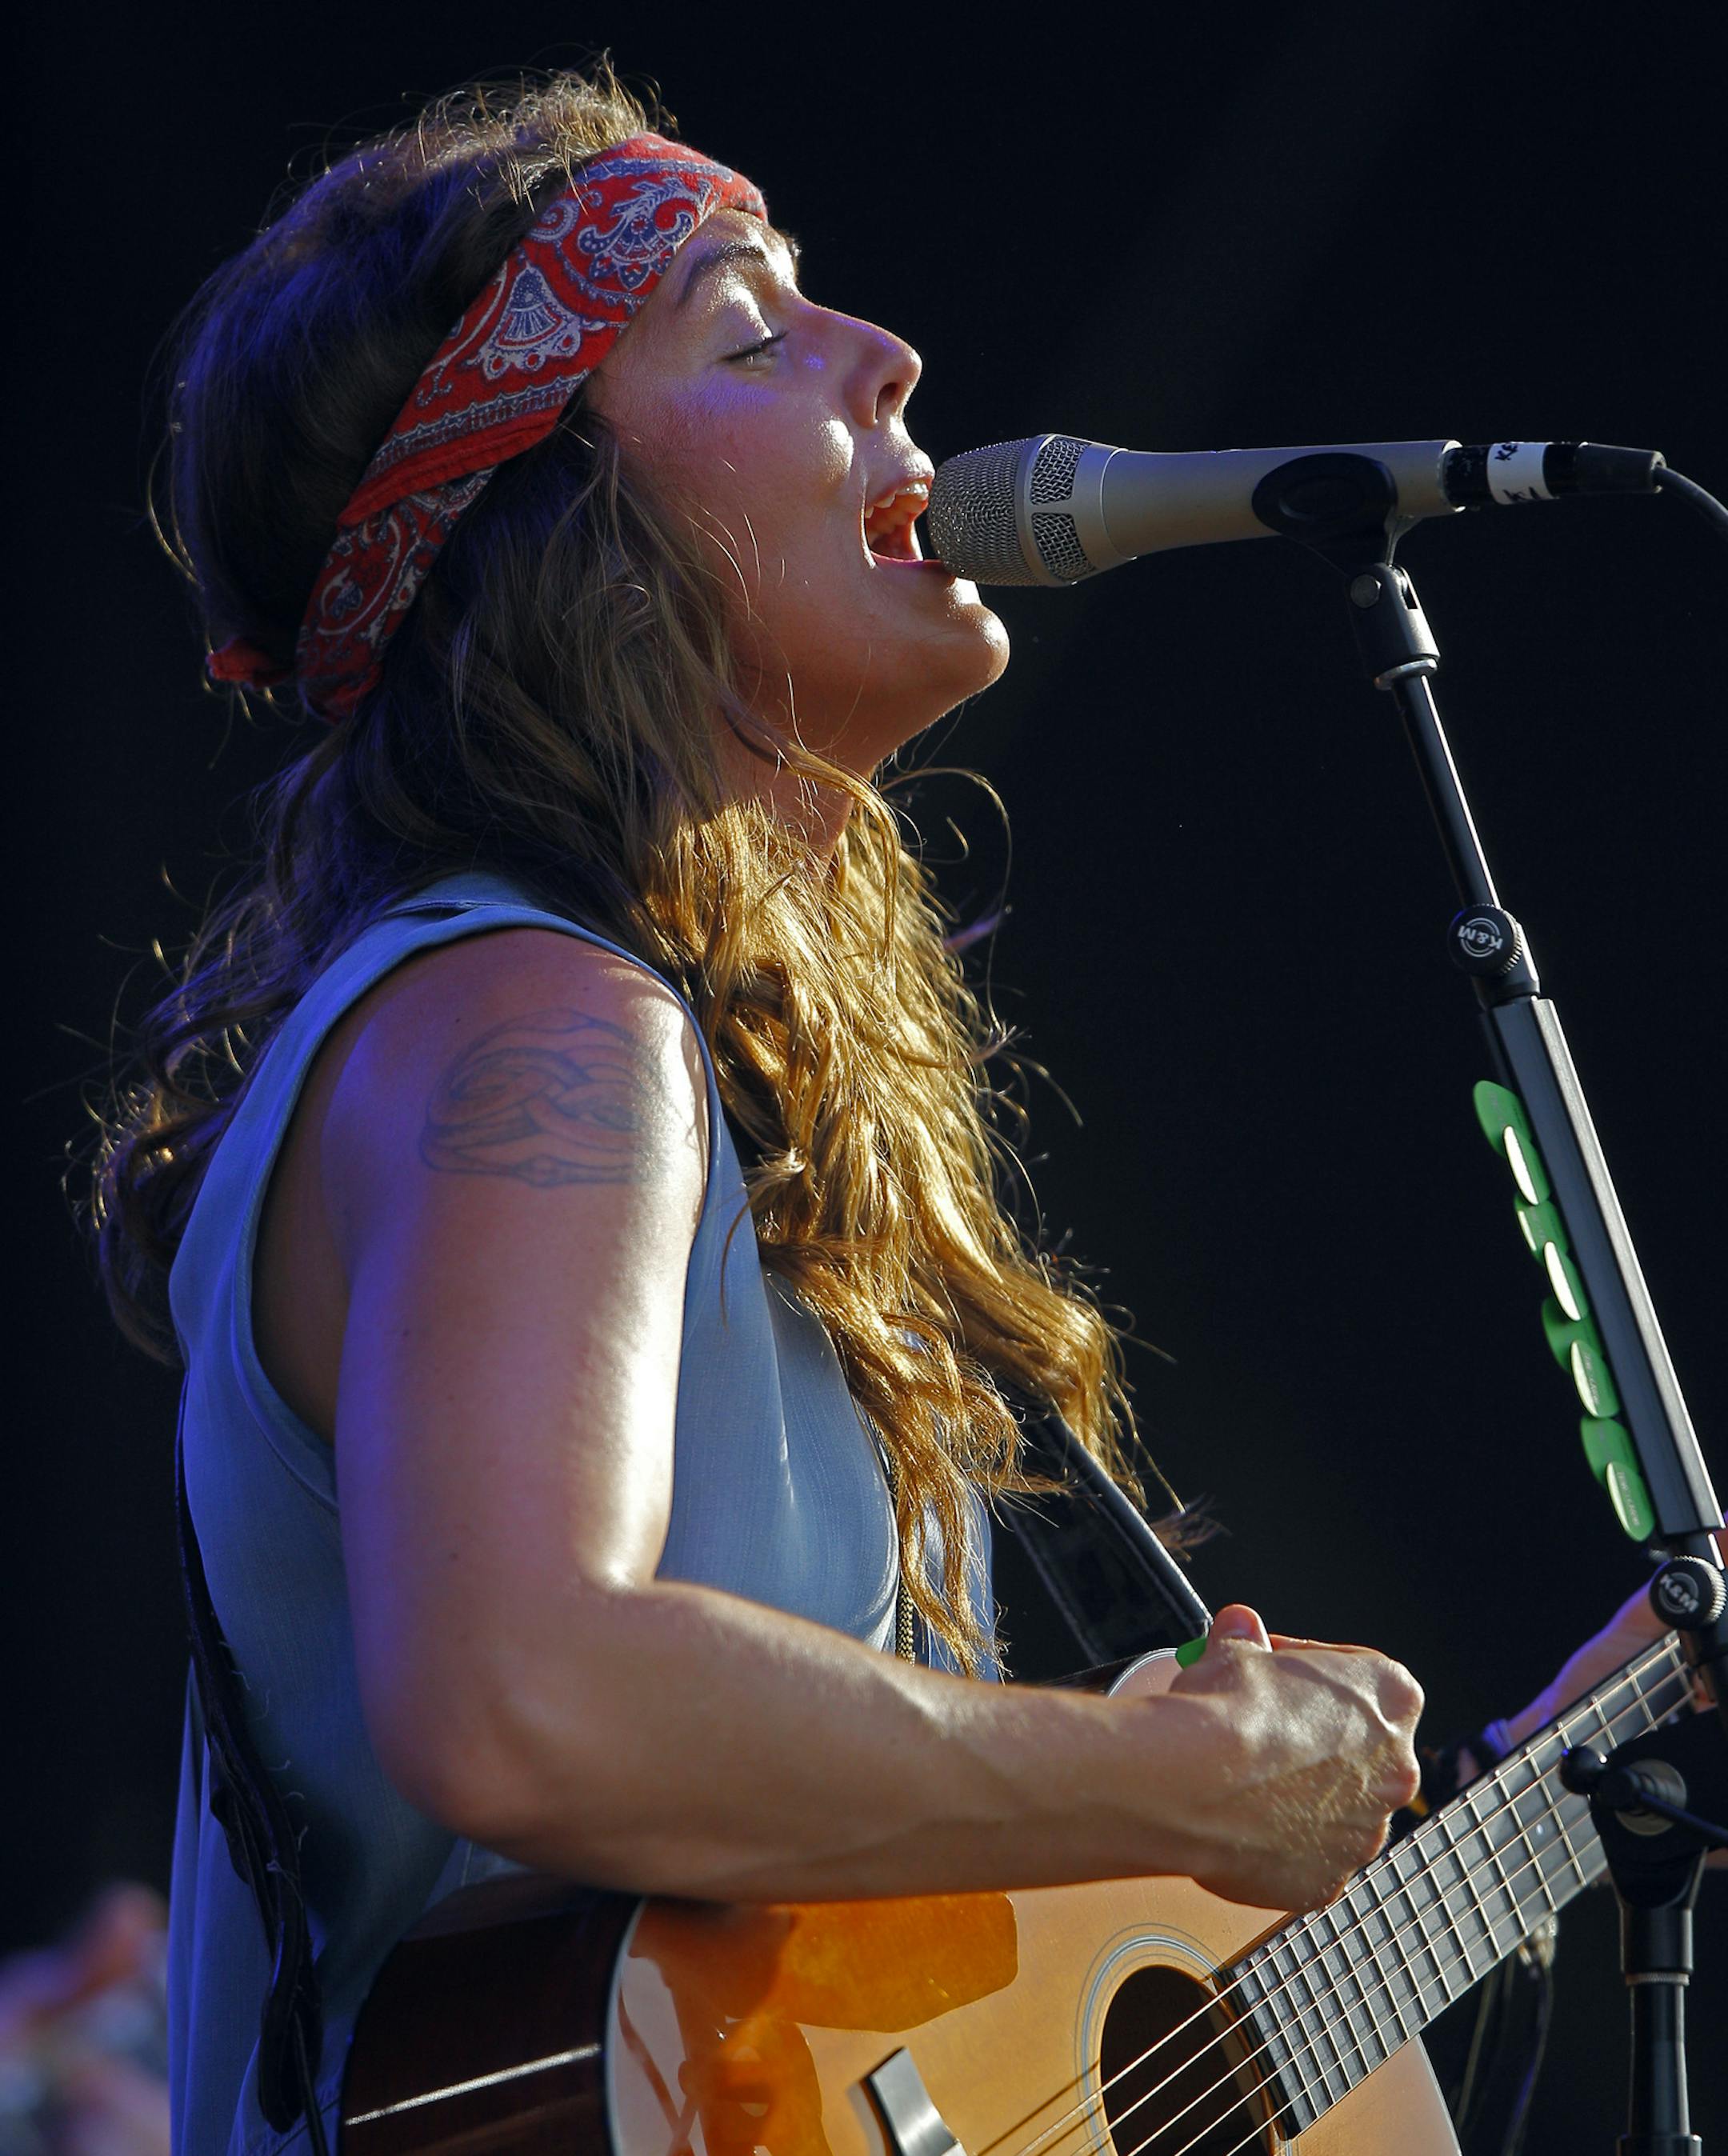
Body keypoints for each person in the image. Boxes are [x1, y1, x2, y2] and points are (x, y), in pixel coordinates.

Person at [88, 63, 1698, 2156]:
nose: (892, 358)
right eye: (748, 334)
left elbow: (993, 2066)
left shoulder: (645, 1058)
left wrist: (1572, 1794)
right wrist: (1174, 1784)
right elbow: (516, 1693)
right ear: (555, 523)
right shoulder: (536, 1025)